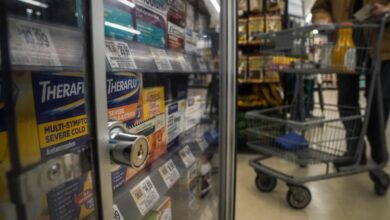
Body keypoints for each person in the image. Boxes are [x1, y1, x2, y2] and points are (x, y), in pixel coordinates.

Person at [311, 0, 390, 167]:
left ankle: (377, 147)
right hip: (345, 43)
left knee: (379, 100)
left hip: (382, 43)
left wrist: (386, 9)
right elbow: (320, 7)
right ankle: (354, 150)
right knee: (346, 101)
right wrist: (323, 18)